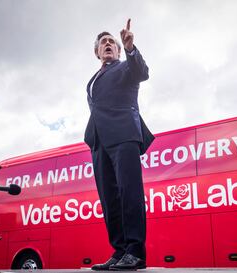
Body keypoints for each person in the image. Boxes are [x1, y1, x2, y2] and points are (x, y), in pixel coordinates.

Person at [84, 19, 154, 271]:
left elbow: (141, 72)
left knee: (129, 193)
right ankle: (120, 251)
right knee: (109, 199)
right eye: (104, 42)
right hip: (99, 142)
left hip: (124, 135)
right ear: (97, 52)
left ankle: (135, 251)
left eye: (111, 41)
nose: (108, 44)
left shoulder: (126, 67)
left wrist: (130, 48)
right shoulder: (93, 79)